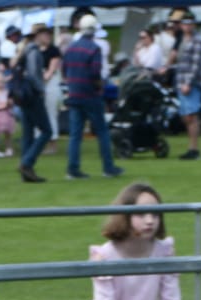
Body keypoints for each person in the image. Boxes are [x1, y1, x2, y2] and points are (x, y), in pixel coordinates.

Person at [62, 15, 125, 180]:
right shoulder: (94, 48)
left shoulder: (71, 48)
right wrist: (99, 87)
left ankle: (72, 169)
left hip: (74, 94)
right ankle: (108, 167)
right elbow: (95, 72)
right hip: (90, 95)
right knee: (102, 131)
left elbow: (64, 70)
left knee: (75, 135)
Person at [15, 25, 56, 182]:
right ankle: (26, 163)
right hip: (33, 95)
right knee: (46, 131)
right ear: (37, 35)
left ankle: (27, 172)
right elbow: (33, 75)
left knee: (28, 133)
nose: (48, 36)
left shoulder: (26, 49)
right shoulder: (34, 51)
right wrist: (41, 89)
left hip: (24, 96)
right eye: (46, 33)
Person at [172, 14, 201, 159]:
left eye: (189, 24)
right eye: (184, 24)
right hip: (180, 81)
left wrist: (188, 82)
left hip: (190, 83)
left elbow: (195, 65)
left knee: (191, 115)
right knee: (186, 116)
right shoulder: (181, 40)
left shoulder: (197, 41)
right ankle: (191, 147)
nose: (187, 26)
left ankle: (194, 148)